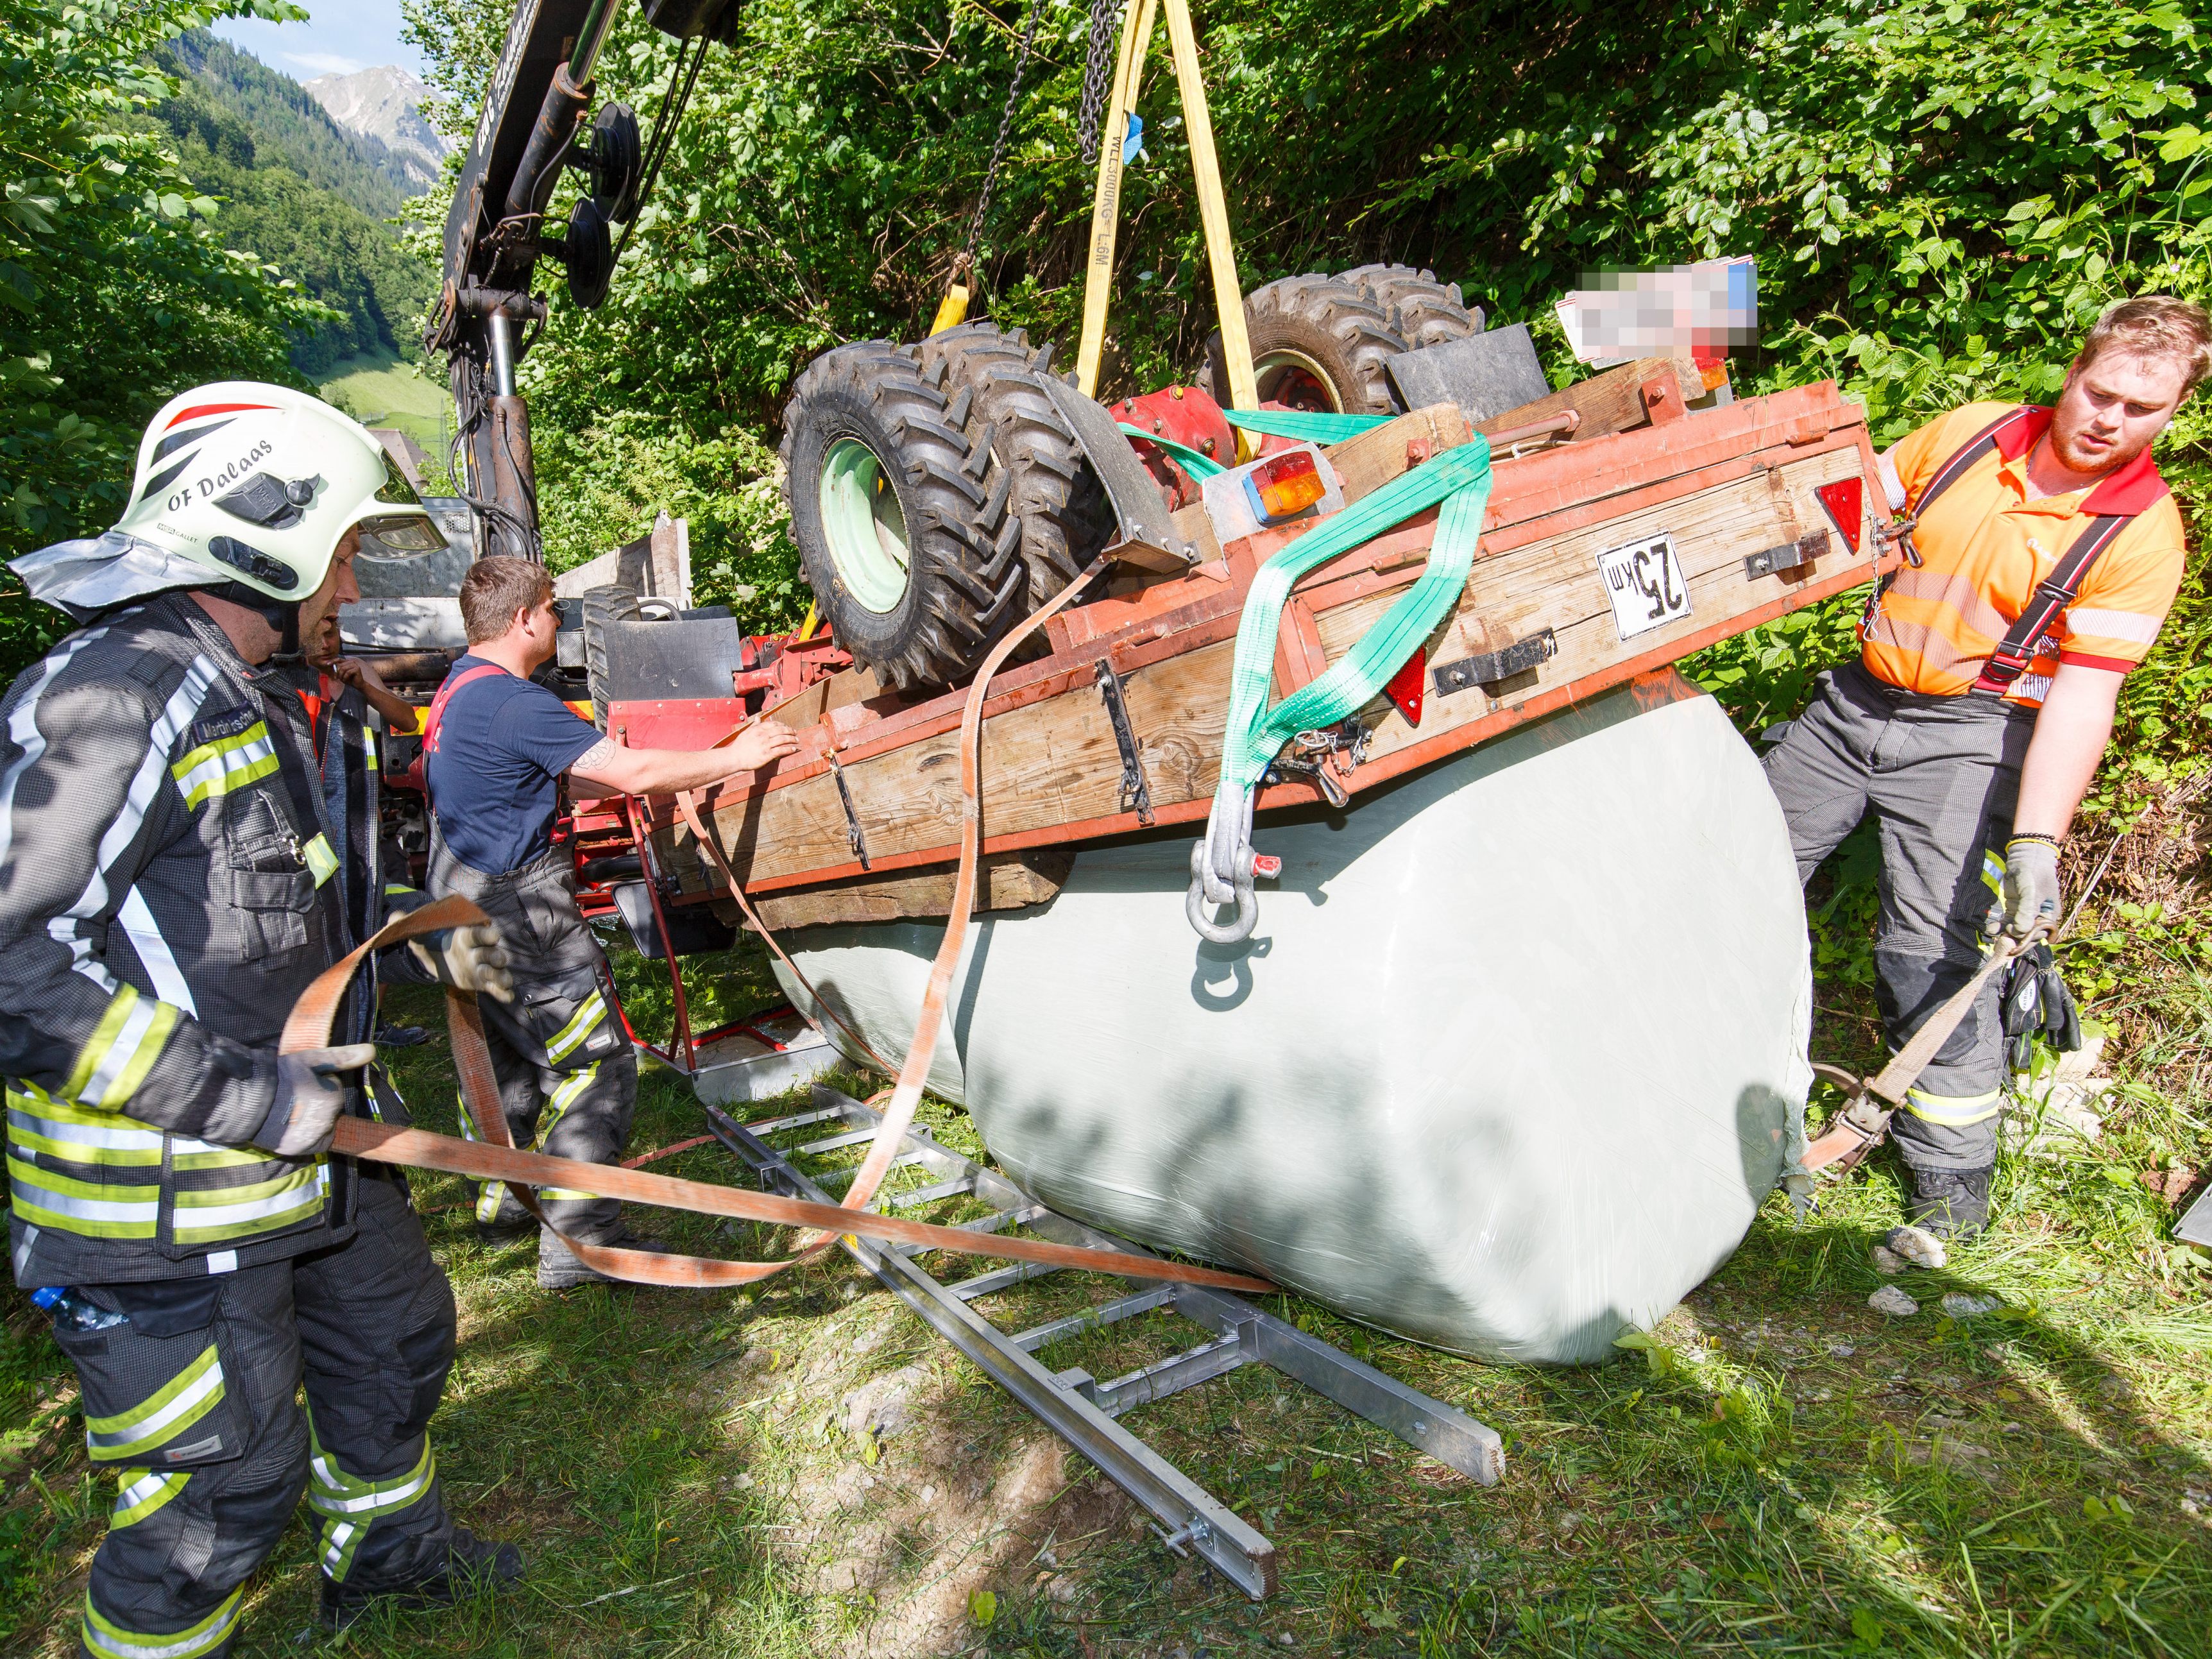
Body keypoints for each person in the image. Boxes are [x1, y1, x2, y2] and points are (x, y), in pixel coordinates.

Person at [2, 382, 522, 1655]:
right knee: (217, 1497)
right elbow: (14, 956)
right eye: (342, 547)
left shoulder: (261, 691)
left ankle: (386, 1555)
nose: (352, 583)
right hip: (170, 1206)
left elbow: (250, 905)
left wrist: (417, 929)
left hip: (312, 1149)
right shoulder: (120, 695)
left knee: (395, 1350)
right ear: (264, 533)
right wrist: (245, 1102)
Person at [1764, 297, 2209, 1238]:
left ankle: (1948, 1190)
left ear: (2175, 413)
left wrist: (2038, 842)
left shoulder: (2141, 533)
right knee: (1737, 882)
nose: (2109, 419)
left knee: (1931, 953)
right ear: (2073, 372)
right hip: (1853, 704)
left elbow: (2084, 700)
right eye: (2100, 391)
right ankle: (1689, 1093)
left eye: (2142, 409)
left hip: (1973, 734)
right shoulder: (1971, 436)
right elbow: (1844, 514)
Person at [421, 556, 799, 1287]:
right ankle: (579, 1241)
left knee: (510, 1064)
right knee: (590, 1061)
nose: (558, 622)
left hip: (456, 901)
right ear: (526, 617)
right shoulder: (513, 699)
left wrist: (687, 762)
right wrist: (739, 756)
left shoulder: (458, 690)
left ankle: (504, 1206)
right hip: (517, 911)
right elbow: (623, 773)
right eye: (553, 609)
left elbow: (569, 769)